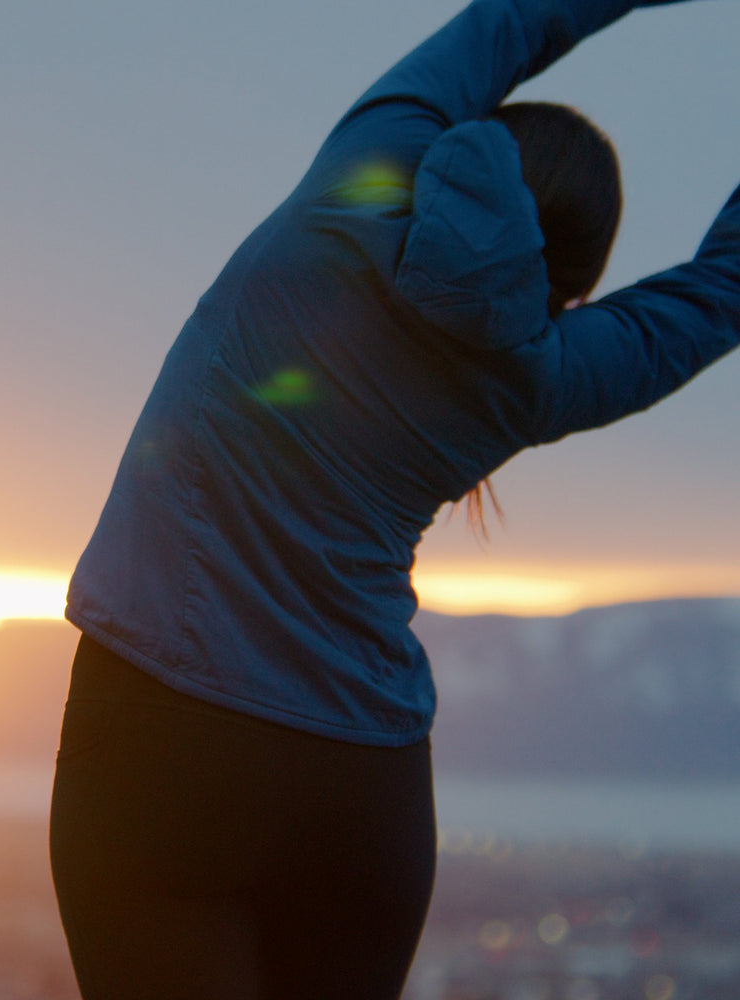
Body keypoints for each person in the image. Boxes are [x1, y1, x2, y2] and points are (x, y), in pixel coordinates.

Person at [50, 0, 739, 997]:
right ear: (574, 289)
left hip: (166, 744)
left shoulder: (361, 175)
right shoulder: (539, 374)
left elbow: (518, 18)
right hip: (364, 791)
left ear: (464, 147)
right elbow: (719, 290)